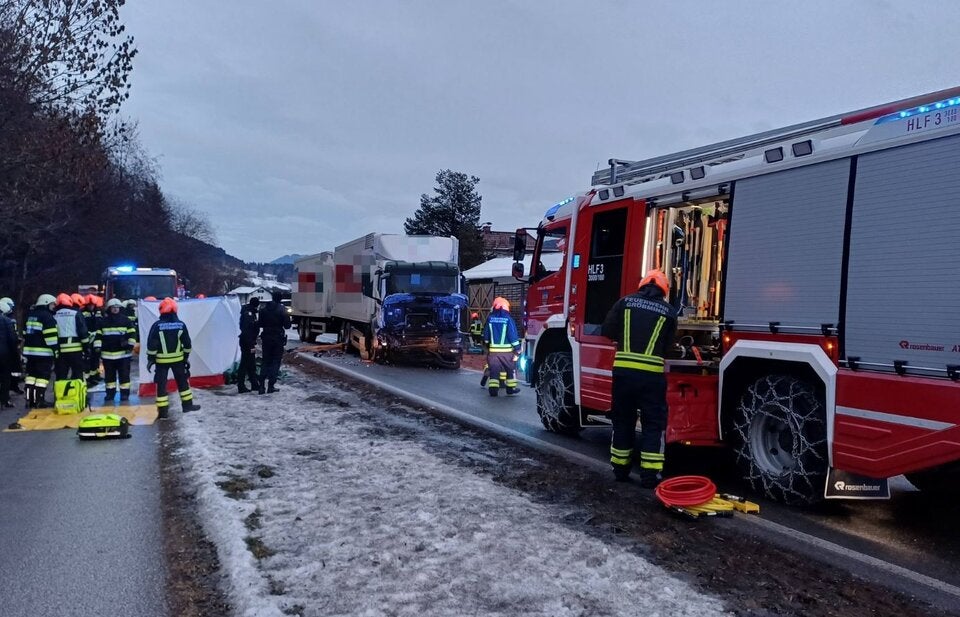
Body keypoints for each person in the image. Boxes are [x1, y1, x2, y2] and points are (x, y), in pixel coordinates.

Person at [601, 269, 676, 488]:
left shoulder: (624, 302)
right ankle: (649, 476)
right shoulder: (668, 311)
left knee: (623, 419)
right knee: (653, 424)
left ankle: (620, 470)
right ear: (663, 290)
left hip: (624, 375)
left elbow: (607, 330)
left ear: (642, 285)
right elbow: (669, 346)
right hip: (652, 377)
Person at [146, 297, 200, 418]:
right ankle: (187, 406)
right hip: (178, 361)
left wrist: (151, 359)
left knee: (161, 385)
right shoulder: (181, 325)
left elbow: (152, 345)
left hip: (161, 361)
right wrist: (185, 357)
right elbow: (187, 344)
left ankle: (163, 412)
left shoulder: (157, 326)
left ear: (161, 310)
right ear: (175, 310)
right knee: (183, 383)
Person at [22, 294, 59, 408]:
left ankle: (29, 400)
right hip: (44, 353)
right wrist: (56, 350)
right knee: (42, 378)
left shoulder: (30, 315)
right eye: (52, 304)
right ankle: (39, 400)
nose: (54, 307)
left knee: (31, 376)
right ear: (46, 303)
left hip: (30, 353)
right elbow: (51, 338)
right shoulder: (47, 317)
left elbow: (24, 333)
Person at [99, 298, 137, 402]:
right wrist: (97, 347)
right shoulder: (103, 321)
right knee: (109, 377)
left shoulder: (126, 320)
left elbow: (133, 333)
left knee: (124, 376)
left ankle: (124, 394)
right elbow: (99, 335)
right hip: (107, 355)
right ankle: (110, 394)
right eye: (113, 307)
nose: (115, 309)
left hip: (123, 355)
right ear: (109, 308)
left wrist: (130, 346)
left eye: (117, 307)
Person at [482, 297, 521, 397]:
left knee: (494, 371)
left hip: (493, 352)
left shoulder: (490, 318)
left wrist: (487, 344)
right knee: (510, 370)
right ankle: (510, 389)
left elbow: (486, 334)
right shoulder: (508, 319)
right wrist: (517, 348)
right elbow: (512, 335)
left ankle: (493, 390)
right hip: (506, 352)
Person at [257, 291, 290, 394]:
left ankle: (261, 386)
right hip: (277, 338)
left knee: (265, 361)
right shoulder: (282, 309)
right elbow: (287, 325)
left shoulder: (264, 309)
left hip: (266, 337)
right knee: (276, 361)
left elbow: (260, 324)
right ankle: (271, 385)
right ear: (280, 299)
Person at [54, 293, 88, 381]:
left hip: (60, 351)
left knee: (61, 375)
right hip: (75, 351)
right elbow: (83, 332)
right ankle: (77, 394)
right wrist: (86, 348)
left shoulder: (54, 315)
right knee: (77, 375)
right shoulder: (76, 313)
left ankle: (60, 394)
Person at [237, 297, 261, 394]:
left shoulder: (250, 312)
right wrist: (251, 344)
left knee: (251, 364)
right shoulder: (249, 314)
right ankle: (241, 386)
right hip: (247, 342)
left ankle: (254, 383)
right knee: (244, 364)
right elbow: (247, 330)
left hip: (248, 341)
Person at [0, 298, 18, 408]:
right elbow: (12, 339)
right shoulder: (6, 321)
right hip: (4, 354)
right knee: (5, 377)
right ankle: (4, 400)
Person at [83, 294, 103, 386]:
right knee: (88, 360)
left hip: (97, 338)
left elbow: (101, 323)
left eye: (92, 305)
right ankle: (88, 379)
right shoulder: (82, 313)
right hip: (88, 338)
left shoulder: (98, 312)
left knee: (96, 358)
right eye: (89, 305)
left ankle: (95, 376)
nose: (91, 306)